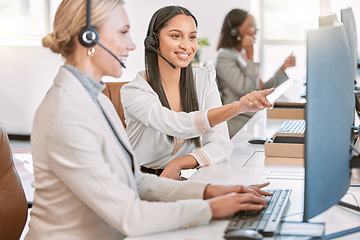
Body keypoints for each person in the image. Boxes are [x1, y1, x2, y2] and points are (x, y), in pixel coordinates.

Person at [25, 1, 272, 239]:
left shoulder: (97, 99)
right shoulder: (65, 113)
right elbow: (130, 216)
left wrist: (210, 192)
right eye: (123, 32)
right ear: (88, 37)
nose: (132, 45)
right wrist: (213, 208)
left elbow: (136, 181)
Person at [121, 5, 274, 181]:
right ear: (154, 40)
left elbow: (222, 143)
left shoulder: (202, 79)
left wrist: (178, 163)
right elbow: (176, 124)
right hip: (136, 182)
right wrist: (237, 107)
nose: (187, 45)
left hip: (177, 179)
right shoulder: (135, 91)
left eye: (192, 37)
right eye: (176, 36)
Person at [216, 8, 296, 137]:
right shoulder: (224, 56)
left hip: (252, 119)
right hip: (239, 123)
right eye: (252, 25)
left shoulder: (241, 54)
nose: (256, 30)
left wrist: (283, 68)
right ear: (235, 31)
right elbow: (246, 91)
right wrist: (251, 56)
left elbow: (258, 89)